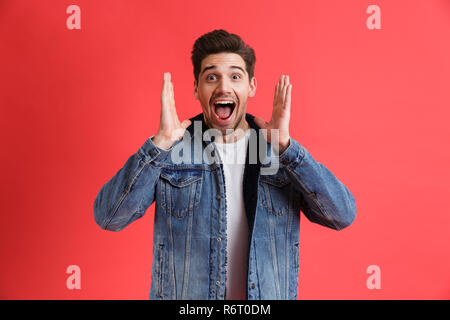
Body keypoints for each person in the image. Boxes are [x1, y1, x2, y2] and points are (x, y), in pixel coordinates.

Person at [93, 29, 356, 300]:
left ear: (251, 86)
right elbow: (110, 217)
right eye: (211, 77)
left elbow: (341, 215)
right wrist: (158, 146)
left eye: (235, 76)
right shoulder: (171, 151)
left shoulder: (279, 154)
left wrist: (287, 150)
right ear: (197, 88)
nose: (223, 87)